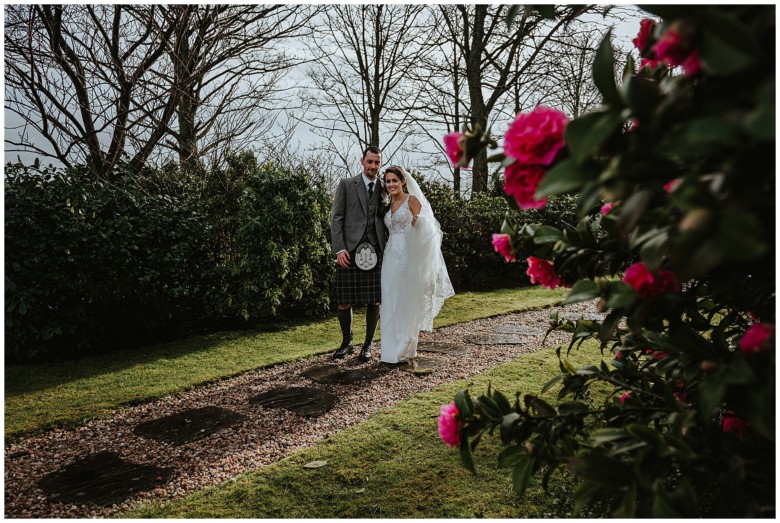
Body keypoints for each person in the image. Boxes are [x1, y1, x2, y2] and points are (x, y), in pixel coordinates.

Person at [380, 165, 455, 364]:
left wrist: (418, 221)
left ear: (403, 181)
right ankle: (390, 348)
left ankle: (403, 347)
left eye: (394, 181)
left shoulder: (412, 200)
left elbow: (429, 229)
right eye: (388, 181)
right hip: (389, 258)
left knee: (406, 300)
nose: (391, 185)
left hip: (407, 257)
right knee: (390, 299)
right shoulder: (388, 204)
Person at [330, 145, 387, 362]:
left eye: (377, 162)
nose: (373, 166)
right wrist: (340, 248)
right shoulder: (346, 185)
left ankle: (368, 345)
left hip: (377, 250)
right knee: (344, 301)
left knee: (375, 300)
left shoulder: (385, 187)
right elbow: (336, 218)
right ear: (362, 161)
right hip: (350, 251)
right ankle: (347, 342)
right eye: (370, 161)